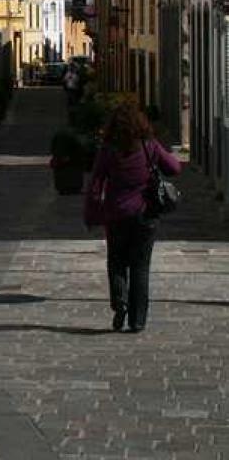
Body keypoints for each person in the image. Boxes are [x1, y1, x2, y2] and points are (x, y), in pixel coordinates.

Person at [84, 101, 182, 332]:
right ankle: (137, 321)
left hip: (116, 214)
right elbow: (175, 168)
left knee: (116, 260)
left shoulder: (108, 150)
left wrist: (92, 214)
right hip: (145, 214)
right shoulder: (149, 146)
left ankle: (120, 301)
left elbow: (96, 183)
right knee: (140, 266)